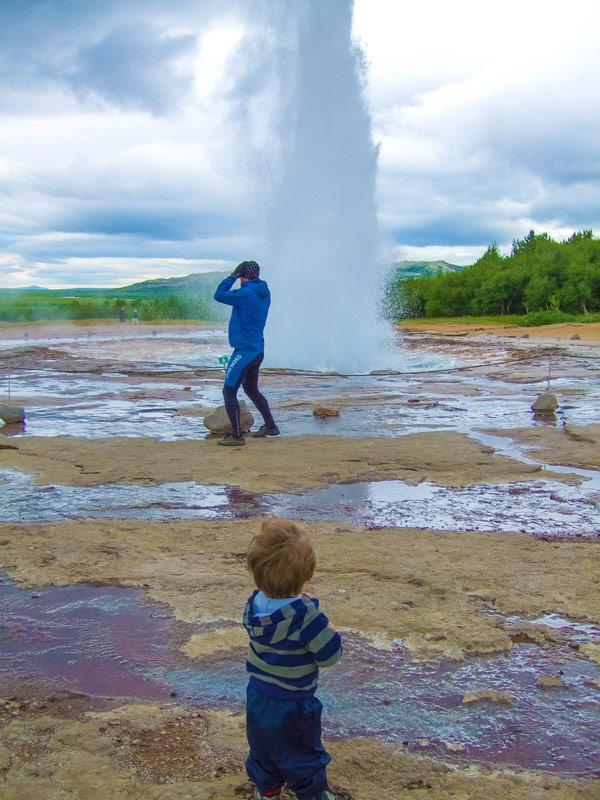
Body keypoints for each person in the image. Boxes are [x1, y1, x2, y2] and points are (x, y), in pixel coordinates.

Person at [243, 517, 342, 800]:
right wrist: (332, 632)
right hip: (295, 703)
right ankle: (312, 795)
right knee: (302, 754)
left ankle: (268, 792)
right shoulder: (306, 615)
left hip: (258, 695)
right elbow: (328, 657)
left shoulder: (253, 605)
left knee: (262, 748)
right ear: (308, 576)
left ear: (257, 574)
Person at [214, 260, 279, 446]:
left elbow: (219, 295)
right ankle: (270, 426)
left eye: (240, 274)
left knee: (229, 391)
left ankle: (236, 436)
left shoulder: (246, 293)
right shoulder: (263, 292)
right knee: (250, 389)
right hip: (257, 350)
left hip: (244, 352)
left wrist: (231, 277)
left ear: (243, 275)